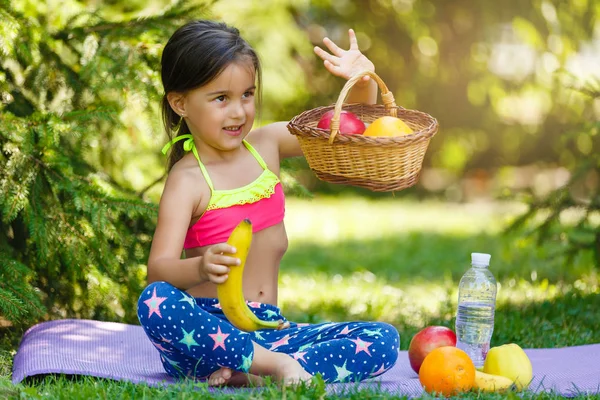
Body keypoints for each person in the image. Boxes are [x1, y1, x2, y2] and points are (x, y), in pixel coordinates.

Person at [137, 19, 400, 387]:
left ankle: (258, 373)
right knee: (155, 302)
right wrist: (200, 267)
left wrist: (363, 80)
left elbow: (343, 128)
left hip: (271, 331)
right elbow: (158, 271)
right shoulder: (188, 180)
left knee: (383, 340)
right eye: (220, 98)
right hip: (206, 340)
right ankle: (273, 369)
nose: (239, 111)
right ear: (180, 103)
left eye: (247, 94)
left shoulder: (268, 145)